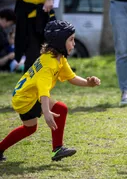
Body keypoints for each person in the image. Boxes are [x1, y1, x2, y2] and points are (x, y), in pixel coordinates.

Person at [0, 20, 101, 162]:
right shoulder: (49, 64)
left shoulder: (58, 58)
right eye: (71, 40)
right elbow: (43, 92)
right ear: (60, 42)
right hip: (26, 98)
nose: (74, 44)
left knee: (30, 128)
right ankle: (57, 149)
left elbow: (70, 77)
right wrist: (46, 112)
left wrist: (88, 83)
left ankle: (0, 149)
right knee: (60, 109)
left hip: (25, 95)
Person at [10, 0, 63, 72]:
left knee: (49, 52)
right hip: (28, 16)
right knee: (32, 55)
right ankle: (29, 85)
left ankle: (44, 83)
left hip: (45, 13)